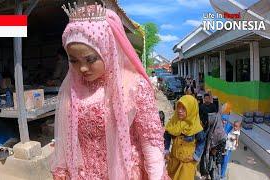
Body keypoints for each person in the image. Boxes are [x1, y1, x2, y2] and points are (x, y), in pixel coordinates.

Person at [51, 4, 168, 180]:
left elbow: (150, 141)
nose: (82, 68)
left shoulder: (133, 85)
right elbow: (68, 136)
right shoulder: (73, 87)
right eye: (74, 60)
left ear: (107, 49)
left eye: (90, 59)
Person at [165, 95, 205, 180]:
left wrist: (195, 156)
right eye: (178, 108)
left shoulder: (196, 127)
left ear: (191, 110)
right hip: (174, 161)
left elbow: (201, 142)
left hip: (187, 164)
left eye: (183, 109)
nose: (179, 111)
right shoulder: (174, 122)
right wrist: (166, 150)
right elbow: (167, 135)